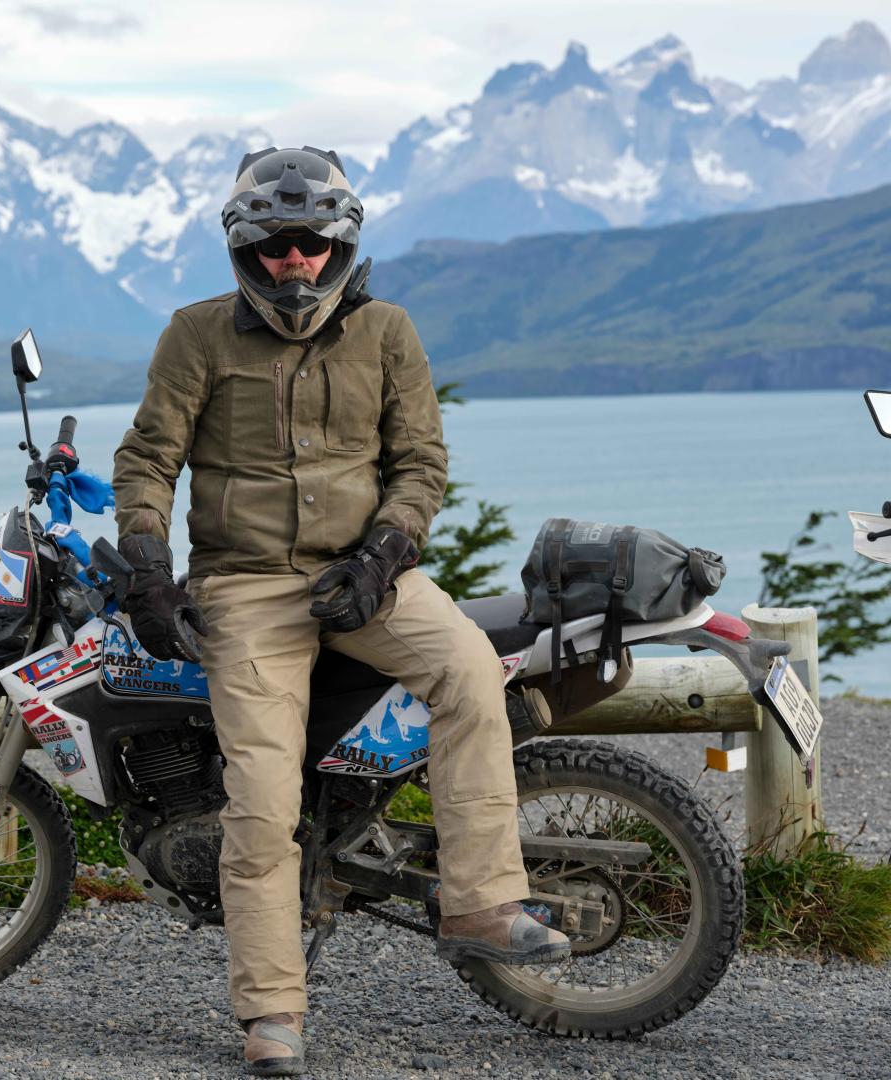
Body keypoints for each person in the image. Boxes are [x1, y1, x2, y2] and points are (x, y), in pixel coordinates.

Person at [112, 146, 568, 1078]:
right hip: (246, 587)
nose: (296, 262)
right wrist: (151, 567)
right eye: (278, 243)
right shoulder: (196, 334)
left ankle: (480, 901)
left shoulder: (388, 331)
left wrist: (387, 550)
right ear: (246, 246)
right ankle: (273, 1009)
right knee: (262, 795)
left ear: (341, 243)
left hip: (369, 577)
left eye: (313, 243)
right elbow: (147, 460)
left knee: (471, 668)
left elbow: (421, 466)